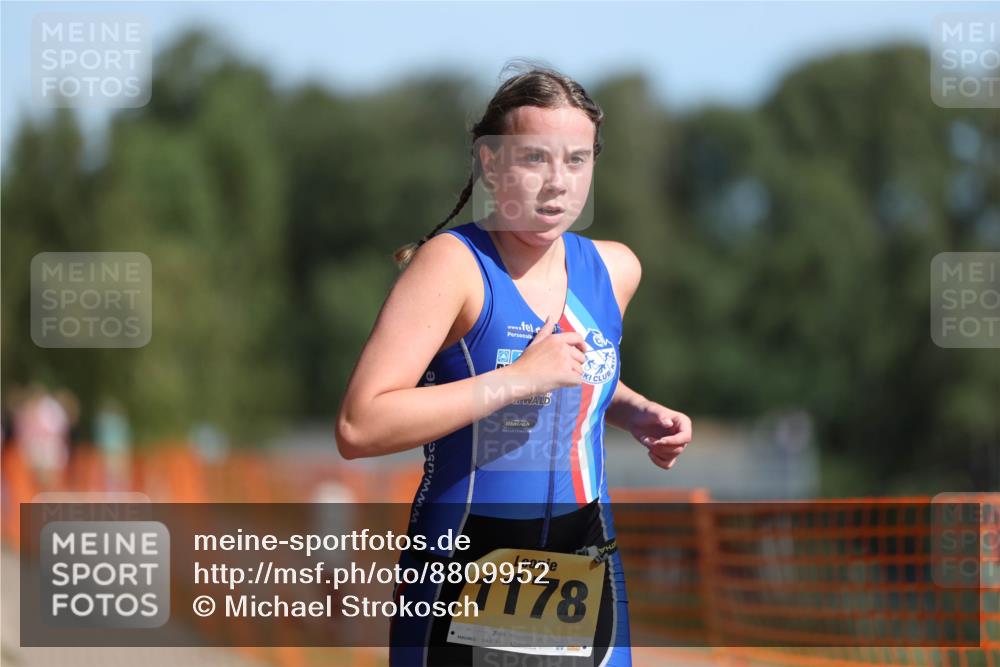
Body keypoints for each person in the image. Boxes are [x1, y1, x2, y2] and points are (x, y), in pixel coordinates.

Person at [336, 61, 693, 667]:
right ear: (490, 164)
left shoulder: (614, 269)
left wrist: (634, 410)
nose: (558, 182)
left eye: (576, 159)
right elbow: (359, 426)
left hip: (585, 560)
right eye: (534, 159)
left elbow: (574, 372)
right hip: (467, 557)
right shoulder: (452, 266)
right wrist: (515, 379)